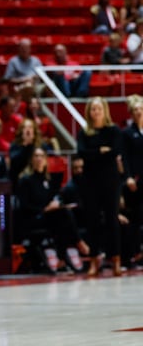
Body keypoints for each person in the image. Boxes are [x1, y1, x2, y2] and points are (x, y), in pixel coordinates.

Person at [15, 146, 84, 273]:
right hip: (34, 217)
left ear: (46, 159)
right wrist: (44, 209)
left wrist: (57, 203)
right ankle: (78, 243)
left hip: (50, 216)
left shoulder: (49, 180)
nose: (39, 159)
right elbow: (24, 206)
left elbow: (55, 197)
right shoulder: (25, 180)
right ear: (31, 160)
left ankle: (62, 258)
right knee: (62, 216)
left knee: (63, 214)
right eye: (36, 156)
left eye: (41, 156)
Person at [77, 97, 123, 277]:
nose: (95, 112)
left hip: (110, 180)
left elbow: (115, 151)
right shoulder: (84, 133)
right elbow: (82, 152)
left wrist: (94, 154)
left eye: (98, 109)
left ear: (105, 111)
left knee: (112, 219)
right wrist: (99, 151)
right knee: (92, 220)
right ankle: (95, 259)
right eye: (92, 109)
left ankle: (116, 259)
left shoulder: (114, 131)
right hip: (90, 181)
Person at [121, 95, 143, 272]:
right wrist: (127, 176)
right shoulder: (127, 133)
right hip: (135, 181)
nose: (139, 112)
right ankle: (131, 254)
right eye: (135, 110)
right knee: (134, 218)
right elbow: (124, 158)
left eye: (141, 109)